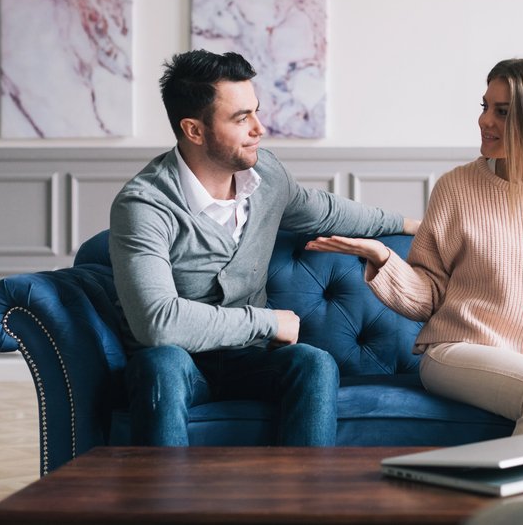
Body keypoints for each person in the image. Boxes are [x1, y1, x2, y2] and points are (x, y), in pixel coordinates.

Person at [307, 57, 523, 435]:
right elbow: (429, 296)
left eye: (503, 111)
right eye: (485, 106)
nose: (485, 120)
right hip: (456, 351)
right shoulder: (456, 187)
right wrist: (382, 258)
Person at [110, 49, 419, 447]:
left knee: (313, 362)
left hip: (250, 360)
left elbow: (324, 210)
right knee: (162, 364)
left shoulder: (265, 175)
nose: (259, 128)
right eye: (241, 118)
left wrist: (413, 225)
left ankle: (301, 503)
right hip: (180, 363)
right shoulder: (144, 204)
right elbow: (158, 323)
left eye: (255, 112)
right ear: (194, 130)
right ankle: (169, 506)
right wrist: (268, 322)